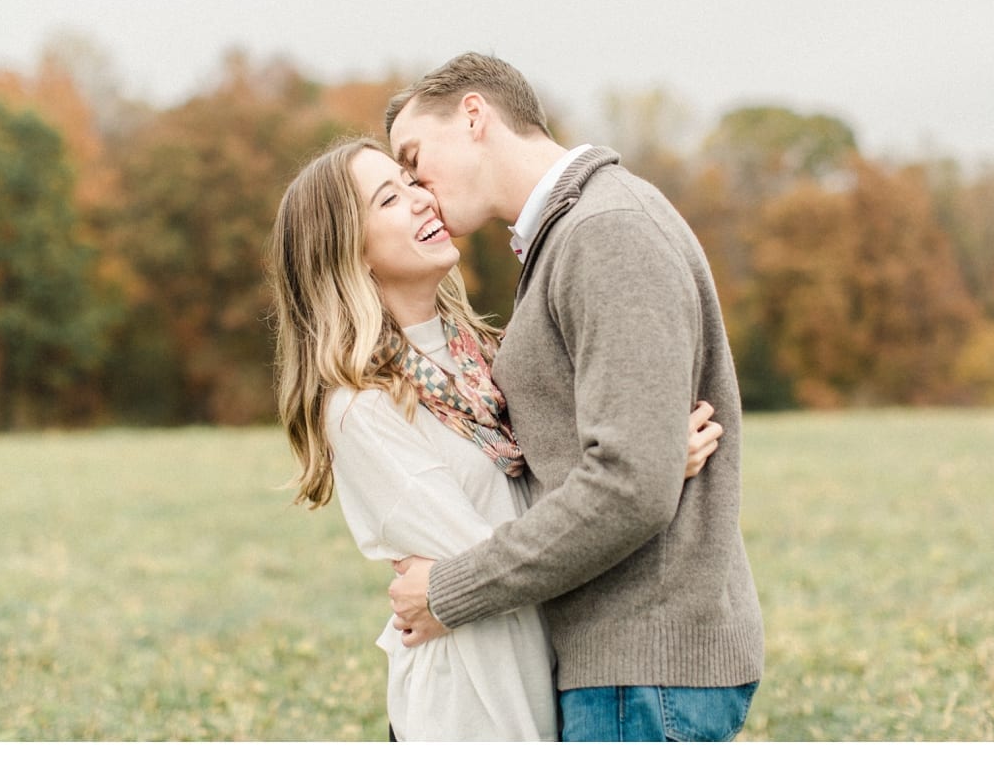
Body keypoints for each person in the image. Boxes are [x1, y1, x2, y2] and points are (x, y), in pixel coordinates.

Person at [267, 136, 724, 741]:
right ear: (347, 250)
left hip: (544, 671)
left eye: (412, 184)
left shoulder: (486, 357)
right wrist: (639, 471)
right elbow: (494, 563)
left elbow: (520, 538)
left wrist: (640, 460)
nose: (422, 200)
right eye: (389, 199)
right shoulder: (363, 407)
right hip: (470, 703)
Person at [384, 52, 765, 742]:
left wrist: (452, 590)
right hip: (622, 667)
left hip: (642, 671)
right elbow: (621, 464)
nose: (417, 189)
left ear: (475, 115)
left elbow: (630, 485)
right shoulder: (569, 236)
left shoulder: (604, 230)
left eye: (415, 159)